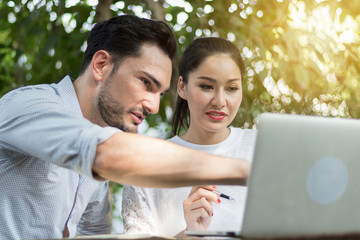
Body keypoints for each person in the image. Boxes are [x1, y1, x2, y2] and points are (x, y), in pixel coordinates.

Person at [0, 15, 251, 239]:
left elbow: (95, 233)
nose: (153, 106)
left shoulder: (100, 145)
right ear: (101, 65)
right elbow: (106, 154)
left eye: (160, 93)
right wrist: (249, 171)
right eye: (145, 83)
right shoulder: (28, 106)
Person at [122, 37, 257, 237]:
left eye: (231, 88)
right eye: (206, 86)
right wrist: (188, 234)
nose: (220, 101)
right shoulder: (145, 167)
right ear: (182, 87)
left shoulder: (262, 148)